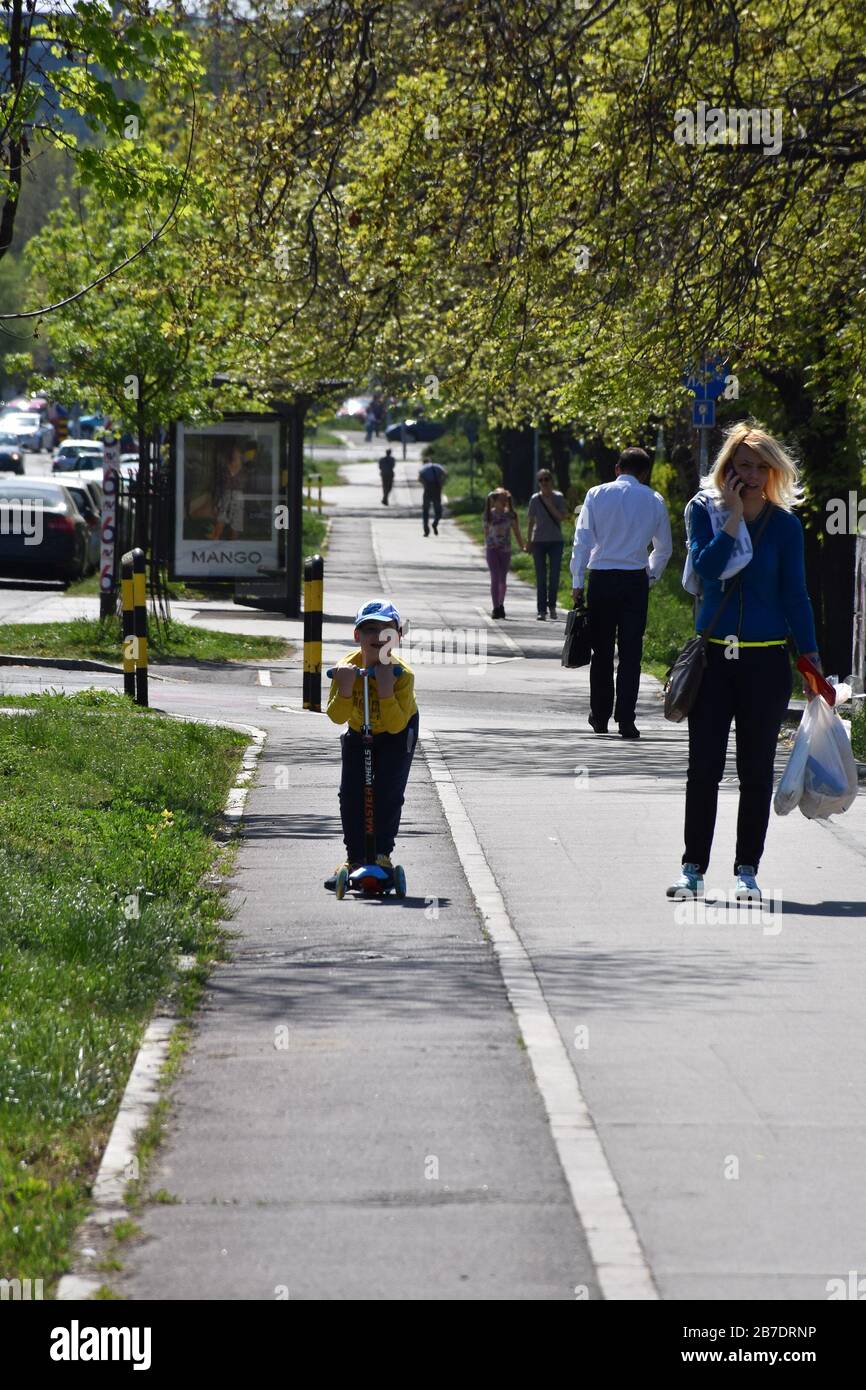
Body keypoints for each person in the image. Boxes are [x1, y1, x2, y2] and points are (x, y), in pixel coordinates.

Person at [666, 423, 822, 903]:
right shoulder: (704, 512)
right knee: (704, 769)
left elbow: (795, 594)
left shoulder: (785, 526)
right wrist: (732, 516)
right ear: (727, 468)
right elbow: (707, 569)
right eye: (742, 465)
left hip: (766, 664)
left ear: (772, 472)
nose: (751, 475)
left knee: (755, 771)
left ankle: (747, 870)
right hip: (713, 663)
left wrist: (811, 661)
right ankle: (693, 868)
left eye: (760, 467)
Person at [571, 446, 672, 738]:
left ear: (617, 468)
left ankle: (599, 716)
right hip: (634, 582)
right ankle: (626, 719)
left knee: (601, 651)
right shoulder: (654, 499)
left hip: (601, 579)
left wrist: (578, 580)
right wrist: (650, 575)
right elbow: (663, 548)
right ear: (644, 473)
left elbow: (582, 540)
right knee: (631, 653)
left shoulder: (596, 494)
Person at [324, 599, 418, 890]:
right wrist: (345, 688)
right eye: (369, 630)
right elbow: (335, 716)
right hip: (357, 731)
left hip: (398, 731)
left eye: (386, 631)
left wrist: (387, 690)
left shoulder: (404, 676)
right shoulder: (345, 669)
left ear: (398, 637)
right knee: (350, 794)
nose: (377, 637)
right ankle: (354, 859)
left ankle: (381, 855)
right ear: (356, 636)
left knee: (388, 792)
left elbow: (396, 725)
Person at [526, 469, 568, 619]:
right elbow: (530, 522)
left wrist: (550, 505)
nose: (544, 482)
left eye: (546, 479)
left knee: (554, 576)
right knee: (541, 577)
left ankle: (552, 606)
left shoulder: (558, 497)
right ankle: (541, 610)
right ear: (538, 482)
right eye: (541, 480)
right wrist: (528, 541)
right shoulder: (534, 499)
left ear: (551, 480)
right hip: (538, 542)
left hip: (556, 541)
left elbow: (562, 517)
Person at [483, 487, 524, 618]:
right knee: (495, 577)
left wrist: (522, 546)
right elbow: (485, 533)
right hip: (492, 550)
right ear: (494, 501)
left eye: (505, 499)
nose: (503, 502)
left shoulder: (511, 515)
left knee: (503, 580)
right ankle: (495, 607)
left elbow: (517, 532)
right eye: (500, 499)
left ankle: (501, 604)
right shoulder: (489, 514)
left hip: (505, 550)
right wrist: (488, 544)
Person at [418, 459, 447, 536]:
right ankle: (435, 523)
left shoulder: (423, 469)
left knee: (425, 511)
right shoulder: (438, 466)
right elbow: (445, 474)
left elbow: (419, 479)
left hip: (427, 490)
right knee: (438, 510)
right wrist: (441, 483)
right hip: (436, 490)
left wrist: (425, 484)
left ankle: (426, 529)